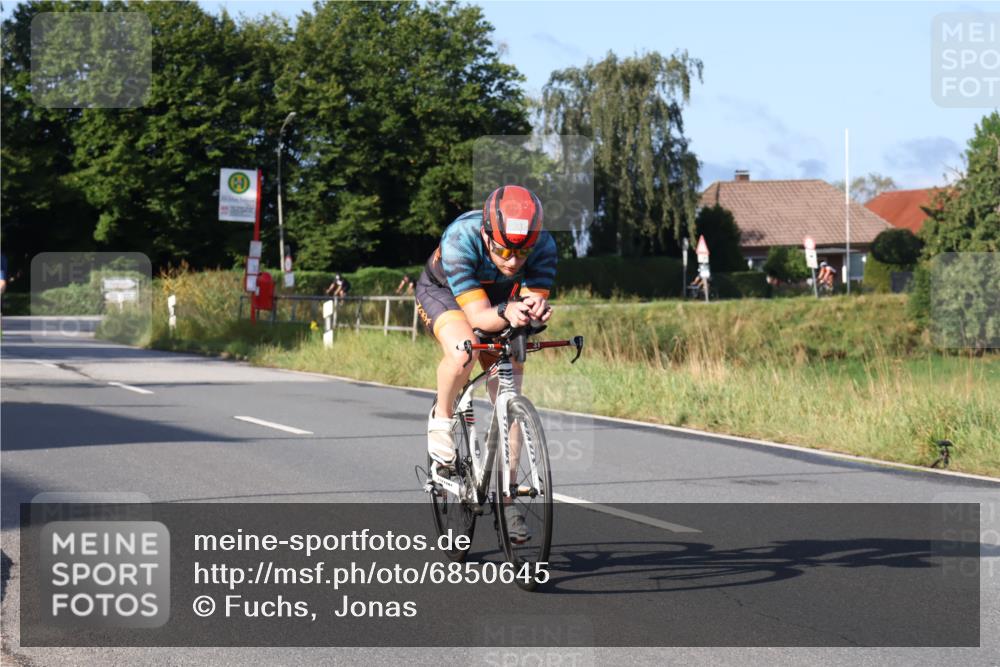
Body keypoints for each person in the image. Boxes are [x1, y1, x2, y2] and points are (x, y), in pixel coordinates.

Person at [415, 185, 555, 542]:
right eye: (504, 249)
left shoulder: (544, 246)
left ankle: (507, 497)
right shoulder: (461, 237)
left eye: (522, 252)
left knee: (509, 389)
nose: (512, 261)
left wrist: (535, 312)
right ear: (485, 235)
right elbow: (477, 316)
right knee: (465, 350)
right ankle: (442, 420)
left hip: (499, 298)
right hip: (445, 292)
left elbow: (530, 303)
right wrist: (509, 311)